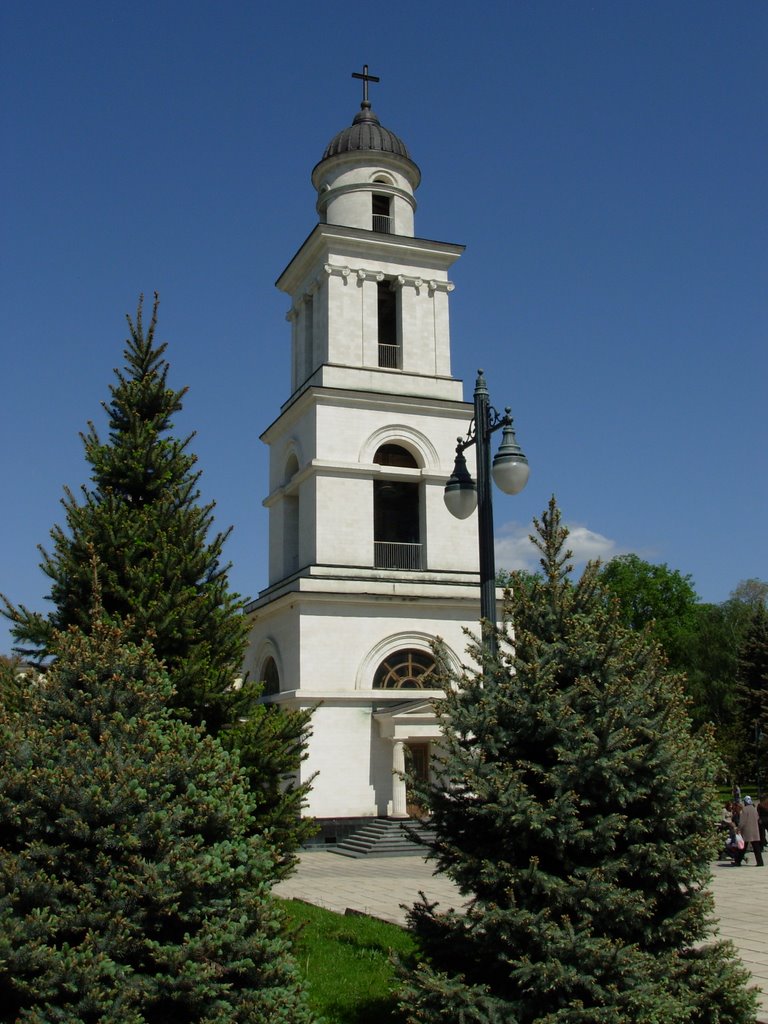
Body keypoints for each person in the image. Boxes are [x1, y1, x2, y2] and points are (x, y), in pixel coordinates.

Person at [735, 796, 763, 867]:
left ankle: (738, 861)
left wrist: (738, 829)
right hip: (755, 830)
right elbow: (757, 818)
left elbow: (742, 821)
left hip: (747, 831)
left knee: (743, 848)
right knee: (757, 848)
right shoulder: (754, 809)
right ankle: (760, 862)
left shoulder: (745, 809)